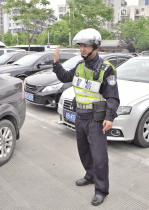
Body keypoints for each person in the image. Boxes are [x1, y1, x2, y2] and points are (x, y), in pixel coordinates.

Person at [53, 28, 119, 206]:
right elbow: (65, 77)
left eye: (86, 45)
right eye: (81, 45)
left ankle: (101, 189)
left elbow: (112, 97)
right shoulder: (79, 66)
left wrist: (110, 117)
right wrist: (56, 63)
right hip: (79, 116)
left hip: (95, 118)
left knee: (99, 156)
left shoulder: (107, 69)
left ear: (95, 47)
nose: (82, 49)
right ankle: (90, 176)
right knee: (83, 151)